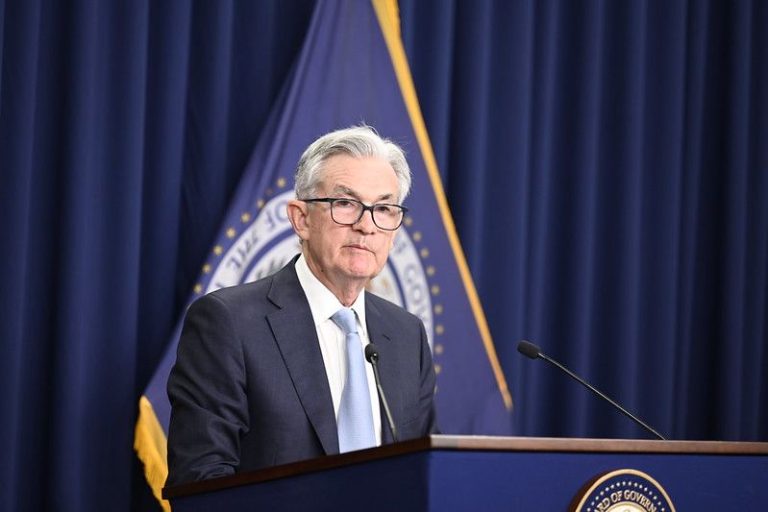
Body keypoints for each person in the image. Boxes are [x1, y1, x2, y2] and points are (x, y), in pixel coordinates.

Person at [166, 126, 438, 486]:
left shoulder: (406, 335)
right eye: (345, 204)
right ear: (301, 219)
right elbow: (201, 480)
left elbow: (429, 476)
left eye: (384, 209)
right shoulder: (228, 322)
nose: (366, 226)